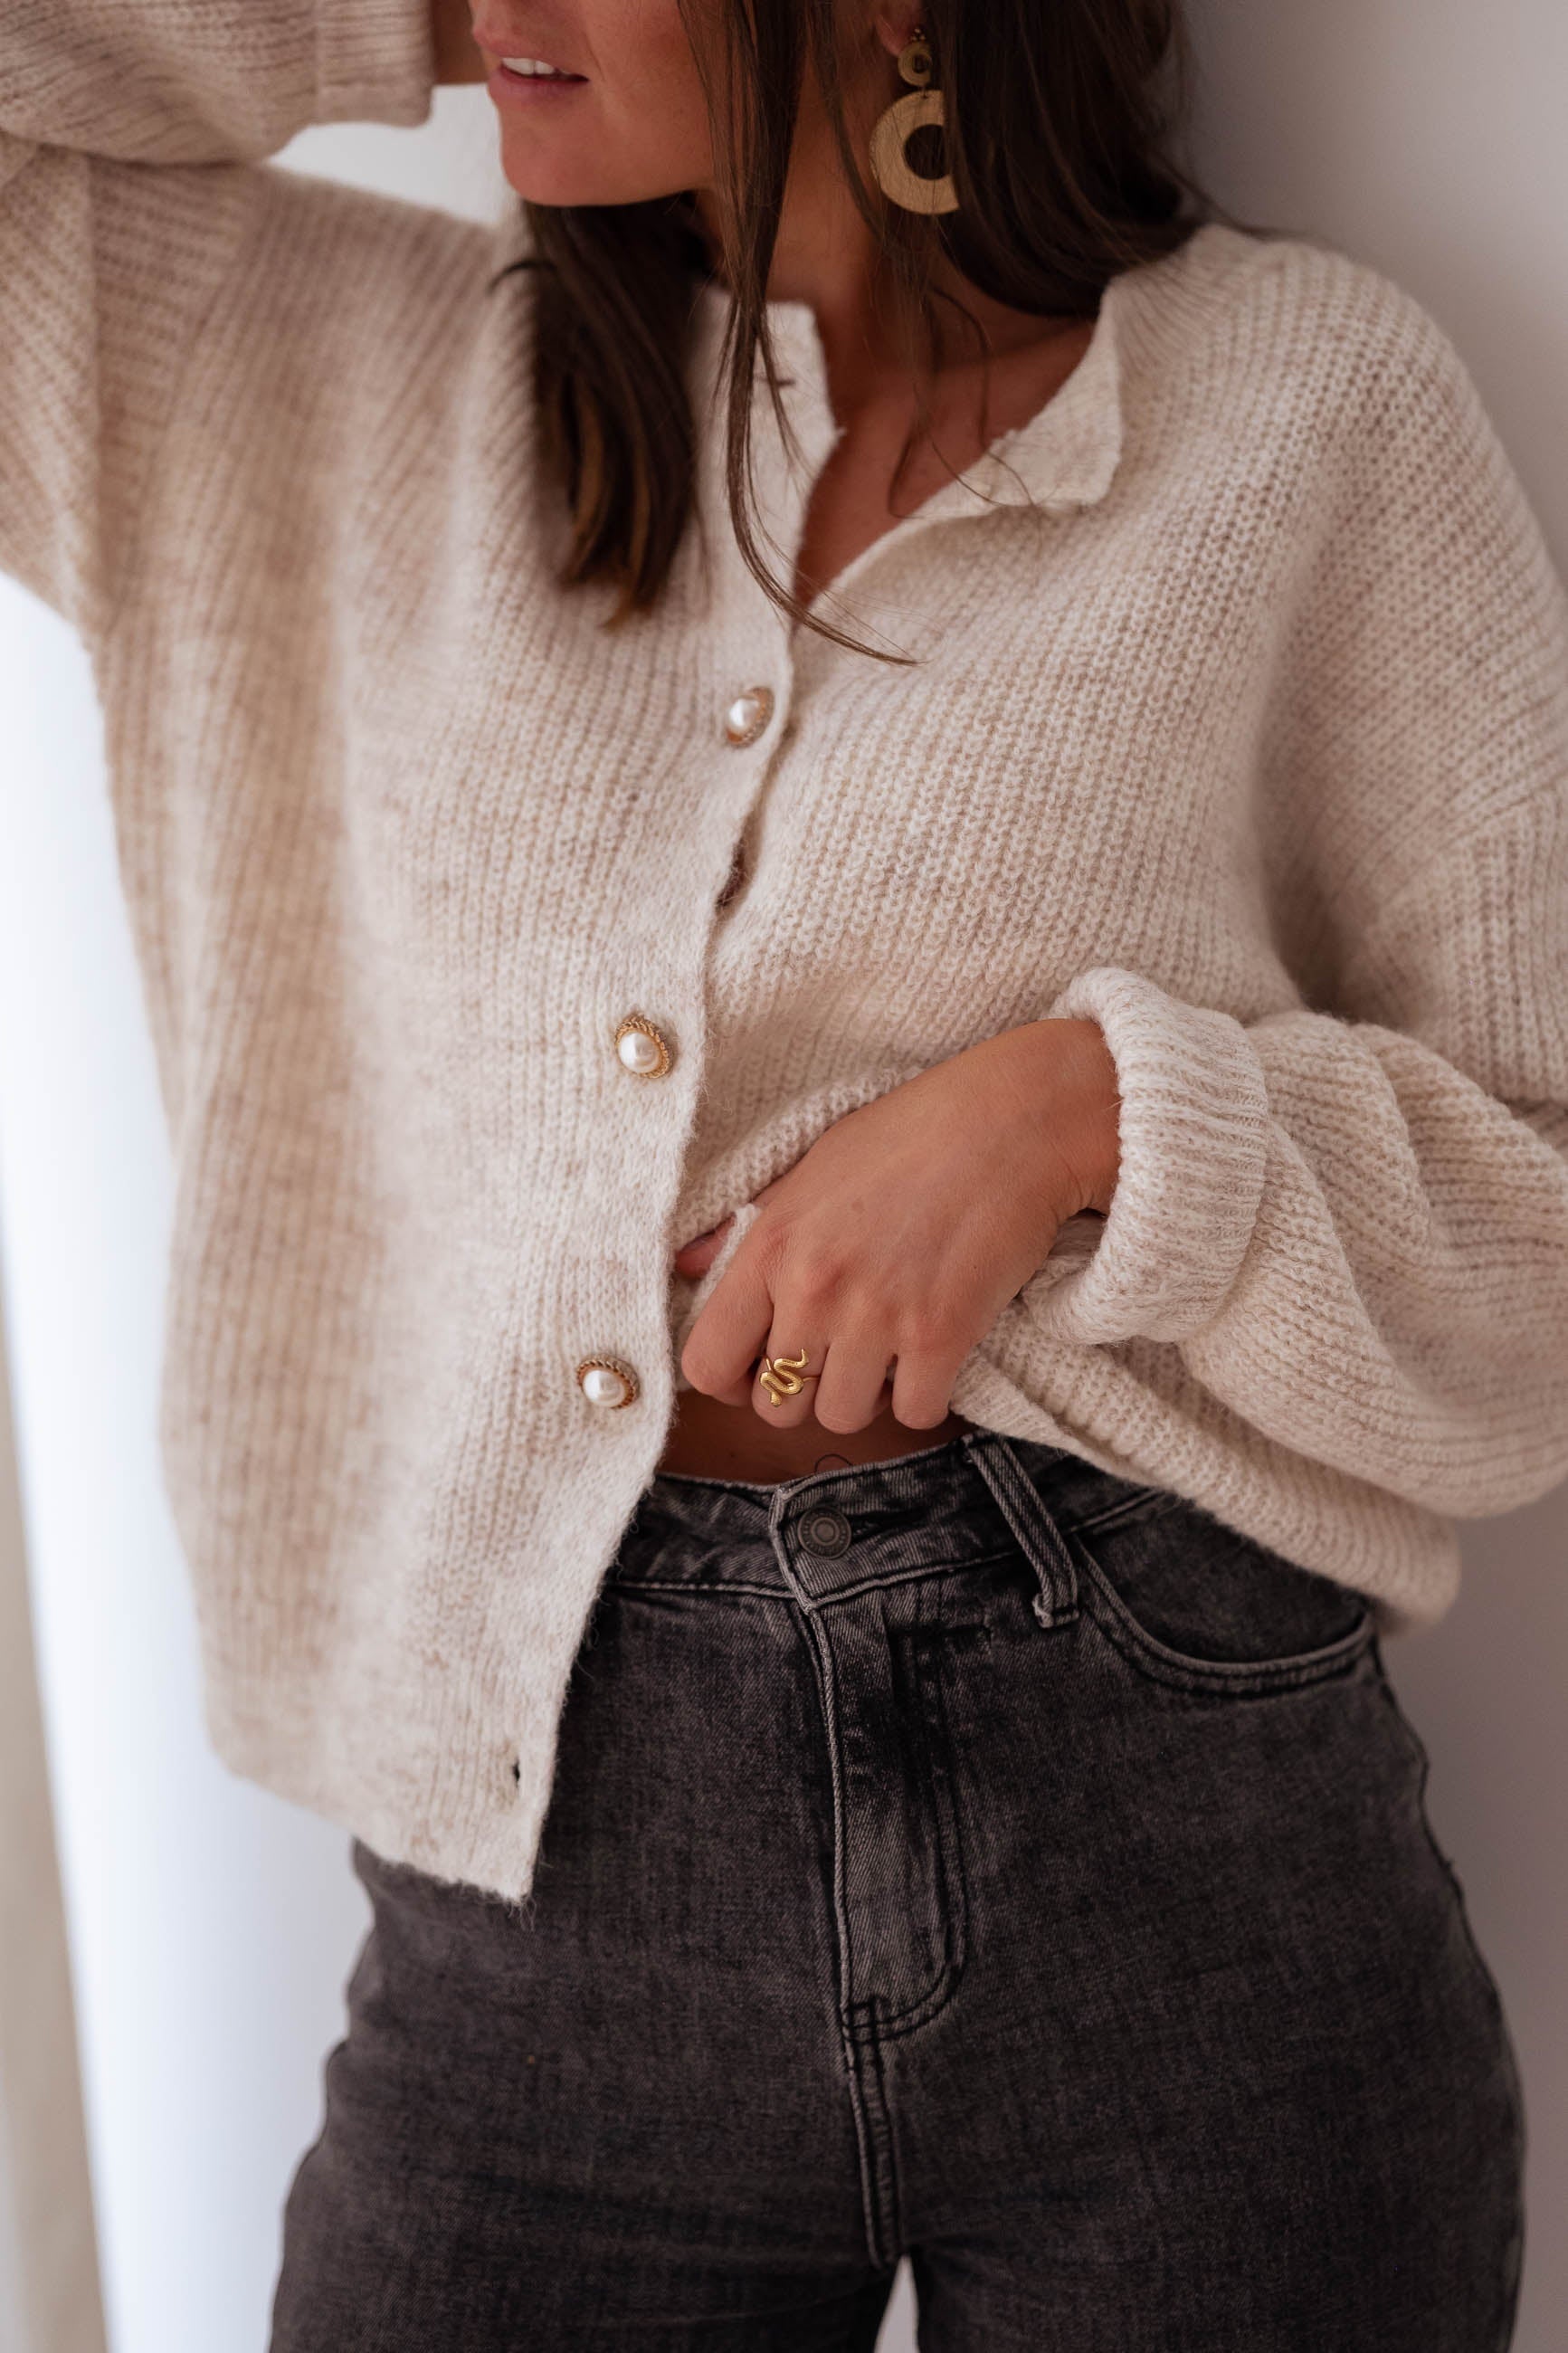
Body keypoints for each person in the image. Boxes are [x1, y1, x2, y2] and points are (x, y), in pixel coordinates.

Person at [4, 0, 1563, 2339]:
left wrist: (1096, 1115)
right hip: (549, 1922)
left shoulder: (1308, 416)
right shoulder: (305, 376)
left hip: (1182, 1859)